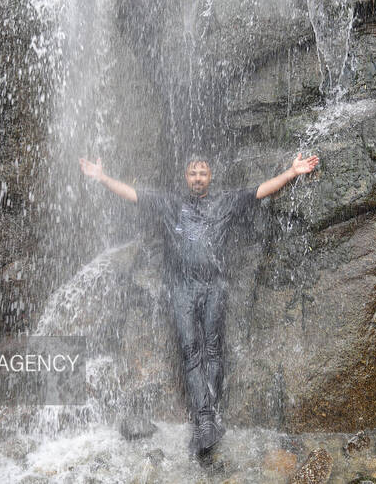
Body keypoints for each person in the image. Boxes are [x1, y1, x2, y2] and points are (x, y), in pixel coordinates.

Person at [78, 153, 319, 457]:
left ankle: (210, 417)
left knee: (214, 350)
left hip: (214, 286)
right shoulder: (169, 204)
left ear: (211, 176)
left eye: (202, 173)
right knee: (191, 352)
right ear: (185, 176)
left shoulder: (225, 202)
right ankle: (204, 421)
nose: (197, 178)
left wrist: (291, 172)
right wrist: (102, 178)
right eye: (193, 173)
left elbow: (261, 189)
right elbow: (133, 194)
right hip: (181, 289)